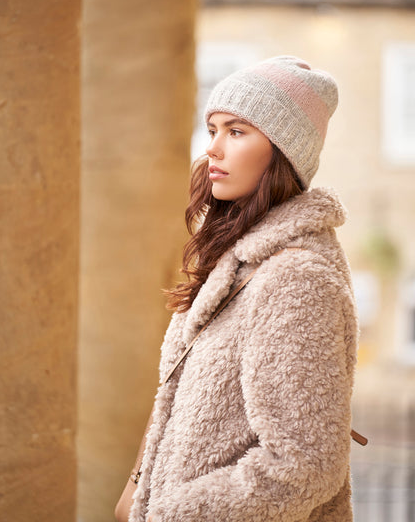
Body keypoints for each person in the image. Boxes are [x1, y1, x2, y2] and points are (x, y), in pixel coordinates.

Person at [115, 55, 358, 522]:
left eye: (237, 131)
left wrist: (172, 514)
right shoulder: (236, 265)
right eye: (212, 130)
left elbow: (304, 467)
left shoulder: (295, 279)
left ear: (283, 151)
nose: (214, 149)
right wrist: (137, 485)